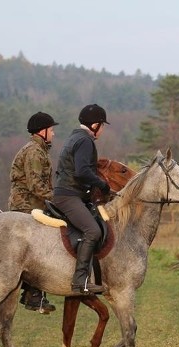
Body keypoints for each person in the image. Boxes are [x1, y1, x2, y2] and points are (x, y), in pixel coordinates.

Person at [53, 104, 111, 294]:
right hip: (69, 195)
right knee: (93, 230)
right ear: (95, 125)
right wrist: (102, 185)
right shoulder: (85, 141)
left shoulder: (74, 137)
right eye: (102, 125)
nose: (102, 130)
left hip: (68, 192)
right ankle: (80, 281)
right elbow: (82, 171)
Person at [8, 111, 59, 313]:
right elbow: (36, 186)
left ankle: (34, 292)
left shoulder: (39, 150)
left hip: (35, 203)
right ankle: (33, 294)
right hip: (27, 206)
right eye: (52, 130)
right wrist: (59, 199)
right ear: (43, 131)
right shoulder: (34, 152)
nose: (53, 134)